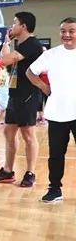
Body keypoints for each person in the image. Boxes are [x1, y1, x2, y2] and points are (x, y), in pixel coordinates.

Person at [0, 12, 44, 188]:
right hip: (15, 93)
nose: (12, 27)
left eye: (15, 23)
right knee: (9, 132)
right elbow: (8, 64)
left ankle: (30, 173)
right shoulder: (21, 45)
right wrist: (7, 42)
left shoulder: (32, 44)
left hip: (28, 95)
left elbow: (3, 61)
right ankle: (7, 171)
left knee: (28, 134)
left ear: (23, 26)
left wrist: (6, 42)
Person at [27, 17, 76, 203]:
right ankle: (55, 189)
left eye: (71, 31)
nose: (67, 34)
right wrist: (43, 87)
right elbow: (30, 72)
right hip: (57, 113)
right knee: (56, 155)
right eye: (63, 31)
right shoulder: (51, 54)